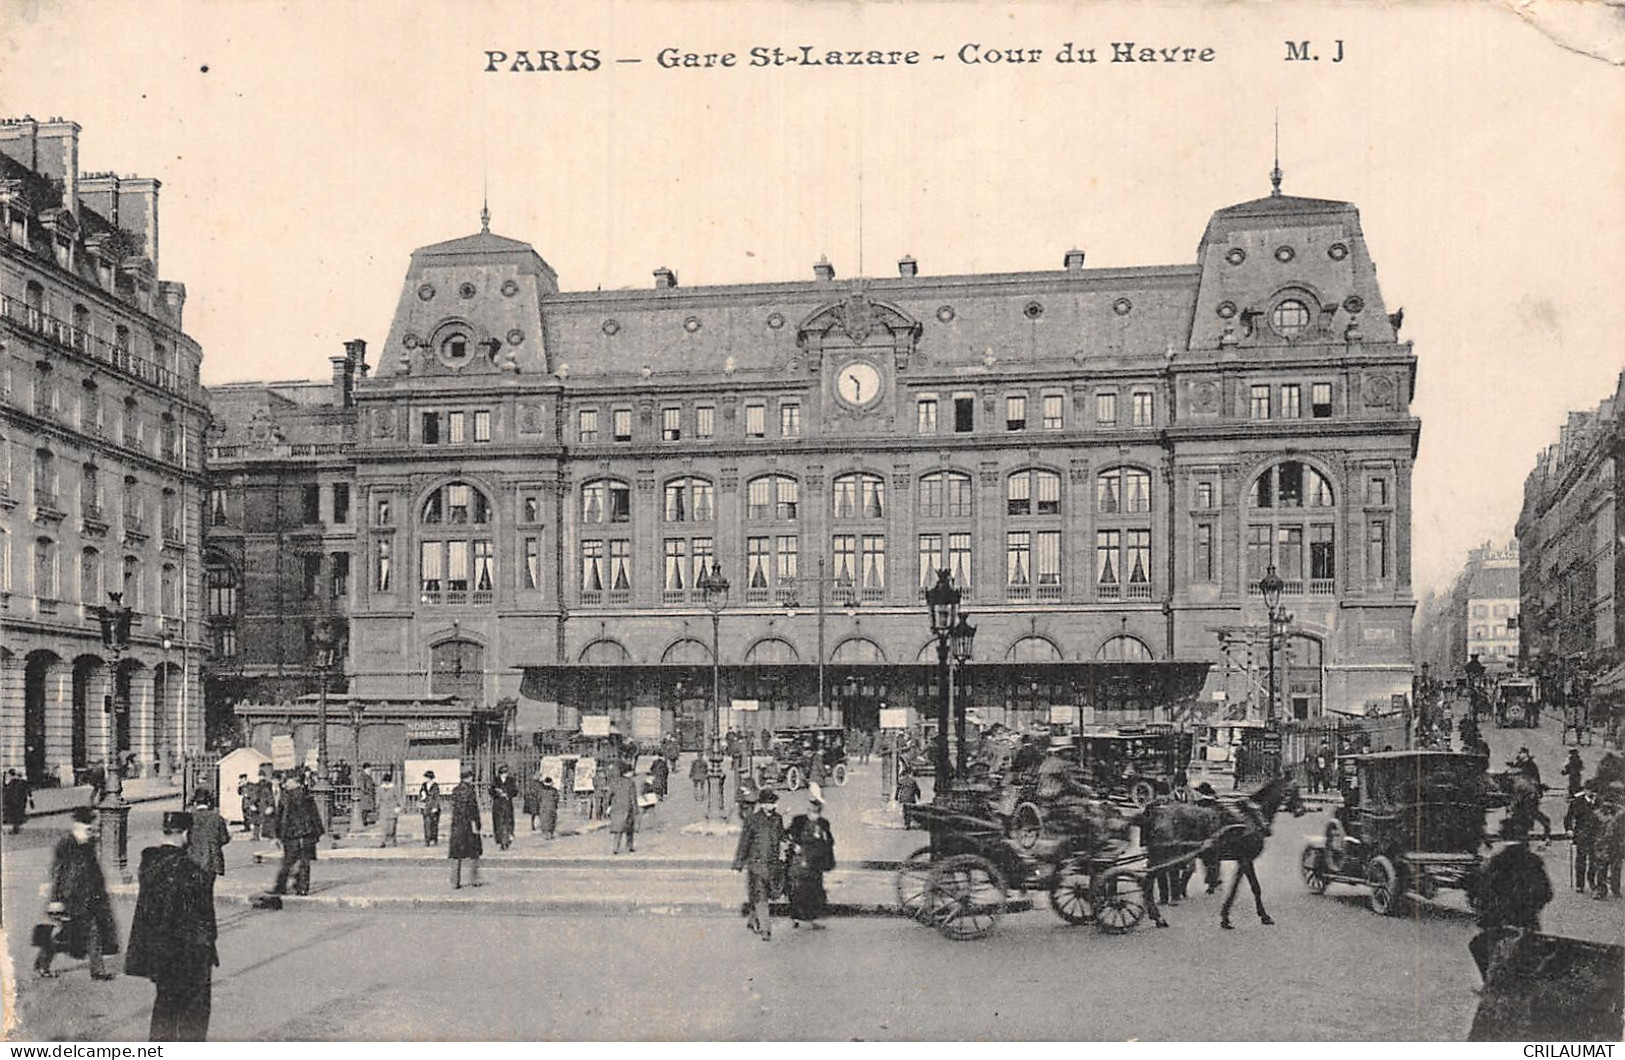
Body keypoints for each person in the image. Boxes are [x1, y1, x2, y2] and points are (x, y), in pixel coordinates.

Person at [125, 812, 219, 1041]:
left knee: (164, 1008)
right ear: (186, 834)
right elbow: (203, 918)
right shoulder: (190, 871)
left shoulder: (149, 865)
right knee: (193, 1015)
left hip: (159, 952)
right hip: (189, 954)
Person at [36, 807, 118, 979]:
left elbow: (92, 871)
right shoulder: (67, 843)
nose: (92, 831)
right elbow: (58, 871)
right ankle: (43, 963)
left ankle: (97, 971)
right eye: (89, 827)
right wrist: (56, 898)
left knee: (93, 932)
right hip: (69, 897)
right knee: (62, 935)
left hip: (86, 897)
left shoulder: (87, 844)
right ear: (80, 826)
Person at [1469, 815, 1553, 978]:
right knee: (1527, 964)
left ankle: (1490, 985)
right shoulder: (1534, 861)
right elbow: (1546, 893)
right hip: (1527, 923)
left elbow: (1479, 893)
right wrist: (1531, 908)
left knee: (1486, 955)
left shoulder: (1494, 863)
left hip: (1497, 924)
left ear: (1502, 837)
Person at [733, 788, 786, 940]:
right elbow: (744, 842)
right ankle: (766, 929)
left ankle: (752, 919)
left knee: (763, 894)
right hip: (756, 865)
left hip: (772, 864)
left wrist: (787, 842)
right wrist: (739, 862)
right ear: (762, 804)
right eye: (770, 803)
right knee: (760, 894)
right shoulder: (753, 820)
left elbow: (782, 835)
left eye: (774, 803)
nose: (773, 806)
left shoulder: (777, 819)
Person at [786, 788, 836, 929]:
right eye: (812, 812)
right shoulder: (799, 821)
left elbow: (830, 842)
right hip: (800, 860)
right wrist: (794, 846)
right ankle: (797, 917)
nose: (814, 815)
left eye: (816, 813)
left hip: (815, 862)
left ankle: (813, 918)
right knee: (798, 889)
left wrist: (826, 845)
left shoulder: (823, 824)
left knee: (814, 890)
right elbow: (788, 835)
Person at [270, 773, 324, 897]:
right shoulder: (307, 796)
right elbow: (314, 816)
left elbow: (281, 817)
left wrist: (277, 834)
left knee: (288, 862)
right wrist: (318, 833)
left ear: (295, 783)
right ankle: (302, 888)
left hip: (291, 834)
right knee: (304, 862)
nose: (286, 784)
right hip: (306, 834)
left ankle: (281, 887)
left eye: (289, 782)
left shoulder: (286, 797)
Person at [184, 790, 231, 889]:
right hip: (212, 859)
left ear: (195, 803)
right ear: (209, 803)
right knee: (208, 891)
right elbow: (224, 839)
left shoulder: (189, 818)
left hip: (193, 859)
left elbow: (184, 839)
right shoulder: (217, 818)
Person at [449, 768, 483, 889]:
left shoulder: (455, 790)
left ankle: (455, 881)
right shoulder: (470, 791)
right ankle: (474, 879)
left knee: (456, 854)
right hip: (469, 825)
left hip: (457, 826)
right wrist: (477, 824)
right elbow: (474, 810)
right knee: (474, 853)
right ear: (468, 778)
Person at [1566, 782, 1600, 893]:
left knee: (1594, 860)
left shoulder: (1599, 803)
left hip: (1596, 835)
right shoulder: (1577, 802)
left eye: (1594, 791)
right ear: (1585, 790)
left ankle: (1592, 881)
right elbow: (1568, 818)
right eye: (1590, 790)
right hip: (1582, 835)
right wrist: (1569, 829)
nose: (1592, 793)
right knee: (1581, 860)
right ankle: (1579, 884)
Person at [609, 763, 639, 854]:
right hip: (627, 806)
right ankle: (629, 846)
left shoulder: (613, 782)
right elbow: (632, 796)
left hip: (616, 807)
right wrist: (635, 807)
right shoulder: (630, 782)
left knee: (618, 828)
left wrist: (608, 805)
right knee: (629, 828)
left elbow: (609, 795)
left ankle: (615, 847)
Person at [490, 765, 518, 851]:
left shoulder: (511, 780)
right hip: (498, 804)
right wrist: (497, 793)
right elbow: (491, 791)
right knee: (498, 823)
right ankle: (501, 841)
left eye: (506, 773)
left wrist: (508, 794)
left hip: (507, 804)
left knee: (508, 822)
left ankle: (508, 839)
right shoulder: (495, 780)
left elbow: (515, 791)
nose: (504, 775)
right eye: (503, 773)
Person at [419, 770, 443, 846]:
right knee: (426, 824)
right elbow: (420, 795)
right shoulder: (423, 785)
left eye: (427, 777)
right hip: (426, 807)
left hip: (433, 807)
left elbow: (437, 797)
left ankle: (434, 839)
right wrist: (421, 805)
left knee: (434, 824)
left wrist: (435, 807)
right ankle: (427, 840)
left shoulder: (435, 786)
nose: (425, 779)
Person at [4, 768, 31, 833]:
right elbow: (28, 791)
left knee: (15, 815)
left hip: (15, 801)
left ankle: (16, 827)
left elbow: (8, 792)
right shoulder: (22, 782)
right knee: (18, 814)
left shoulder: (12, 782)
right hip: (20, 801)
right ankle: (16, 827)